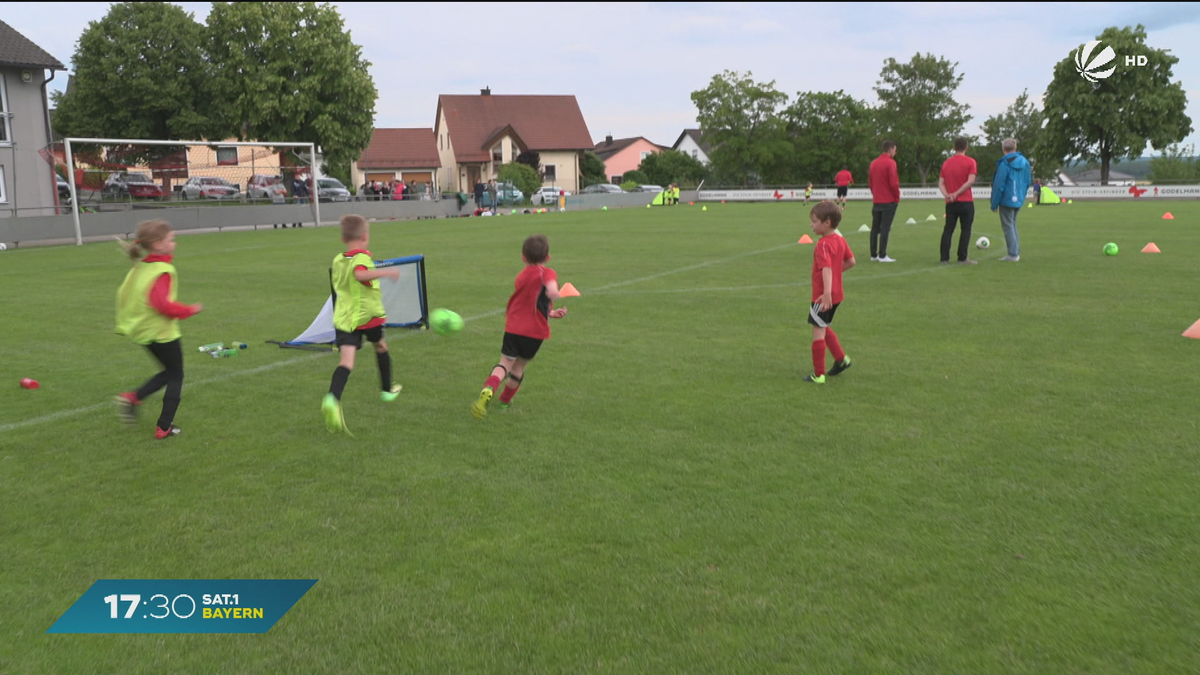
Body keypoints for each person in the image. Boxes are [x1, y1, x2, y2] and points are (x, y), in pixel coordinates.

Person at [114, 220, 203, 439]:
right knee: (176, 375)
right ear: (157, 244)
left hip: (143, 332)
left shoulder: (142, 266)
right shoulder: (162, 270)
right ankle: (164, 426)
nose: (175, 244)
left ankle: (132, 397)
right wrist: (188, 310)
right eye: (171, 240)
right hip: (161, 333)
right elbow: (161, 304)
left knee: (168, 372)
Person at [320, 214, 404, 433]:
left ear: (343, 238)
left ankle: (332, 398)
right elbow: (360, 275)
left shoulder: (339, 259)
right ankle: (386, 390)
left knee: (346, 362)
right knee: (381, 346)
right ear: (365, 237)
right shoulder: (362, 258)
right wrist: (387, 271)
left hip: (345, 319)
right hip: (368, 317)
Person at [471, 234, 569, 419]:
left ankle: (490, 387)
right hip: (535, 333)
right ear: (548, 258)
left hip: (513, 327)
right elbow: (551, 291)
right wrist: (555, 292)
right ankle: (504, 403)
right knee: (518, 369)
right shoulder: (547, 273)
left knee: (504, 364)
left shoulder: (522, 276)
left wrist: (551, 313)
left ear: (523, 257)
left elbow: (530, 302)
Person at [804, 201, 855, 384]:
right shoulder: (841, 240)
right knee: (823, 326)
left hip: (822, 296)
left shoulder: (823, 245)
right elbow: (851, 261)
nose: (811, 224)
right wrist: (834, 276)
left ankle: (819, 375)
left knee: (818, 331)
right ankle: (841, 360)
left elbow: (826, 269)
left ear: (826, 223)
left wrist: (825, 293)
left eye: (814, 221)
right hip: (837, 295)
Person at [990, 138, 1032, 262]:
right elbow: (1027, 181)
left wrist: (994, 203)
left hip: (1006, 199)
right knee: (1012, 224)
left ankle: (1013, 254)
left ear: (1004, 149)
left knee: (1008, 226)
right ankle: (1015, 252)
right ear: (1016, 148)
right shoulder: (1025, 162)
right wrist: (1021, 197)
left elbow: (999, 184)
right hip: (1018, 198)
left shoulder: (1005, 164)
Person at [938, 137, 978, 265]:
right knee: (965, 229)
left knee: (948, 229)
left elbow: (941, 183)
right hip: (965, 201)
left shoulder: (946, 163)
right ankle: (962, 257)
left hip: (951, 202)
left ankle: (944, 258)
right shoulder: (970, 162)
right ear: (966, 147)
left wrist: (948, 195)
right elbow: (970, 181)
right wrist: (957, 193)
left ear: (954, 148)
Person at [868, 140, 900, 263]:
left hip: (877, 200)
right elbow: (893, 183)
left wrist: (875, 194)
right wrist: (897, 197)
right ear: (891, 149)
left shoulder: (873, 163)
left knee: (875, 228)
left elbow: (871, 183)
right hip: (888, 200)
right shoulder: (890, 163)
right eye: (894, 150)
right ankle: (883, 255)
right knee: (885, 228)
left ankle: (873, 254)